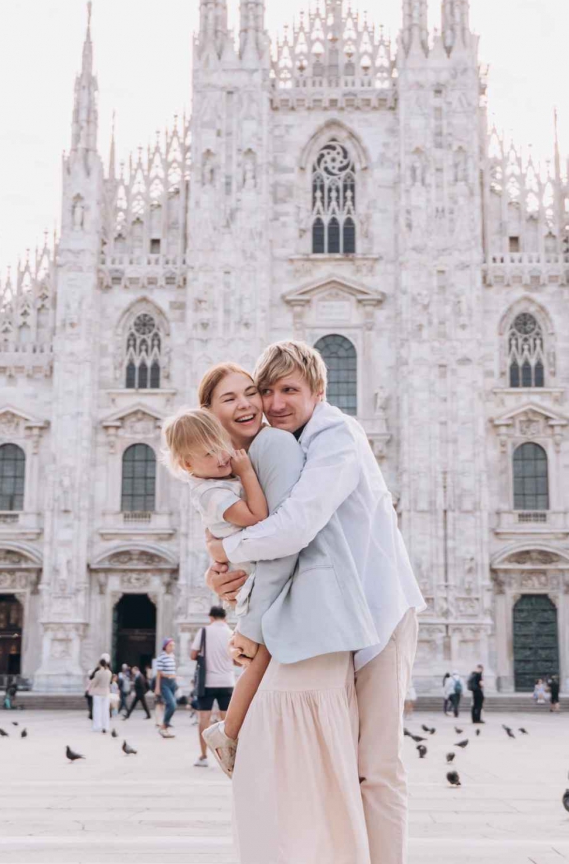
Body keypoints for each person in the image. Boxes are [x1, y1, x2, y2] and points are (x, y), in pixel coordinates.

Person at [203, 346, 417, 863]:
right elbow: (266, 530)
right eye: (267, 391)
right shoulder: (279, 444)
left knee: (377, 768)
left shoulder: (336, 436)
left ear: (319, 393)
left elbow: (296, 527)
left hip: (380, 613)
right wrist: (221, 570)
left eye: (289, 390)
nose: (275, 403)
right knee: (336, 762)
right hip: (328, 623)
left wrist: (225, 553)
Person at [163, 407, 278, 764]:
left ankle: (241, 733)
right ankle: (229, 734)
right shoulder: (213, 491)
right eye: (211, 452)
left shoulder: (215, 482)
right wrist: (247, 472)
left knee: (261, 659)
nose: (223, 456)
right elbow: (258, 516)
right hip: (252, 580)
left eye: (222, 446)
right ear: (187, 464)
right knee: (260, 659)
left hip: (251, 573)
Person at [190, 606, 236, 768]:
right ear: (225, 618)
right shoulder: (231, 633)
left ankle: (203, 756)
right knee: (227, 722)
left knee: (204, 719)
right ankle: (229, 757)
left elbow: (193, 655)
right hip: (227, 681)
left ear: (210, 617)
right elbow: (237, 659)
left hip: (207, 683)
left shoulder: (204, 631)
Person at [154, 639, 179, 737]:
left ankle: (165, 728)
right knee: (172, 705)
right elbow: (159, 673)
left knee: (170, 705)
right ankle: (163, 726)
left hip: (172, 682)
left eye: (173, 645)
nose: (172, 647)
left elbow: (173, 670)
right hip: (164, 682)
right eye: (170, 645)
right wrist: (157, 687)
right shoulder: (161, 657)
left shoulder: (172, 656)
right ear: (165, 646)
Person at [87, 655, 113, 733]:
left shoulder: (98, 673)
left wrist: (91, 685)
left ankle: (97, 726)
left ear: (100, 664)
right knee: (105, 711)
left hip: (98, 693)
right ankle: (106, 726)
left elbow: (95, 683)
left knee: (97, 710)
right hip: (106, 692)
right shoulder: (109, 672)